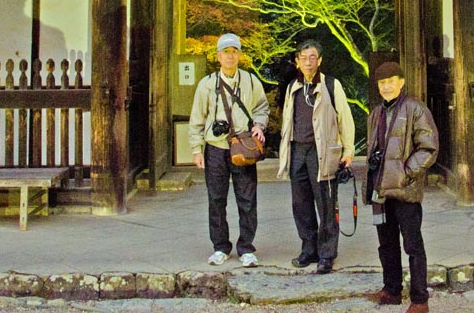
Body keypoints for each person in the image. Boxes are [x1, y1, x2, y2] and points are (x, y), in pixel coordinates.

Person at [188, 32, 270, 266]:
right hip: (215, 148)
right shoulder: (207, 84)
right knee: (216, 199)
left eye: (234, 52)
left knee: (247, 198)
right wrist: (196, 149)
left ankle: (246, 248)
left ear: (239, 55)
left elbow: (262, 107)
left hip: (242, 147)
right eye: (226, 52)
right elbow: (197, 118)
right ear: (218, 56)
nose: (230, 56)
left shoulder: (251, 81)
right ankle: (220, 246)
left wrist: (259, 125)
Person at [276, 38, 355, 274]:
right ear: (297, 61)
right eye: (303, 58)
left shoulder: (331, 85)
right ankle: (308, 249)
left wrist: (348, 151)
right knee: (300, 204)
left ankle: (327, 253)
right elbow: (287, 121)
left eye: (312, 57)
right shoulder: (293, 87)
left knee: (326, 204)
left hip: (322, 151)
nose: (308, 62)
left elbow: (345, 119)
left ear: (319, 60)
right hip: (298, 150)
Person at [364, 61, 438, 313]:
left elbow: (428, 148)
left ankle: (420, 299)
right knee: (386, 244)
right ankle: (392, 290)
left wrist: (406, 174)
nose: (386, 87)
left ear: (401, 82)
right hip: (381, 189)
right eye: (382, 83)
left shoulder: (415, 109)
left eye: (390, 82)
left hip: (405, 190)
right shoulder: (376, 113)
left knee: (413, 245)